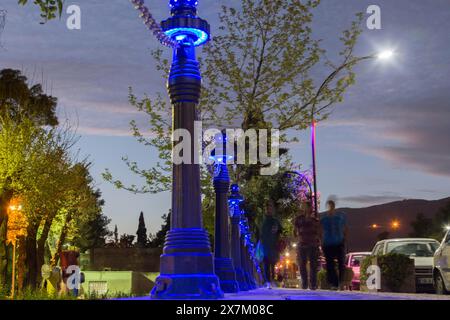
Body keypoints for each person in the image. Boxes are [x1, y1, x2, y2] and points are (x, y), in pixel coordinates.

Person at [320, 199, 348, 290]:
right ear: (327, 208)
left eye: (332, 206)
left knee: (341, 263)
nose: (330, 208)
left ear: (334, 207)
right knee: (330, 264)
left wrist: (344, 238)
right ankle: (335, 283)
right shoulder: (324, 219)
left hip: (339, 242)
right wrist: (321, 240)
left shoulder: (339, 218)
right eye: (329, 207)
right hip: (328, 243)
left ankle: (341, 281)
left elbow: (345, 228)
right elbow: (319, 229)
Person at [294, 200, 320, 290]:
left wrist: (318, 241)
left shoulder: (315, 219)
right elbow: (295, 229)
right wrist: (298, 236)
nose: (307, 208)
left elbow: (318, 231)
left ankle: (313, 284)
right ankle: (304, 283)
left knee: (313, 264)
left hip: (313, 244)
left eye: (309, 207)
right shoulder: (299, 219)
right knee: (302, 264)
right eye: (305, 206)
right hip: (302, 244)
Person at [260, 200, 282, 289]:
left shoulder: (275, 221)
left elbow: (280, 230)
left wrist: (277, 230)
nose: (268, 209)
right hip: (265, 245)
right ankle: (268, 281)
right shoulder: (262, 220)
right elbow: (259, 232)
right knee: (266, 264)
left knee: (272, 264)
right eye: (267, 208)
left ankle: (271, 280)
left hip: (273, 245)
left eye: (270, 207)